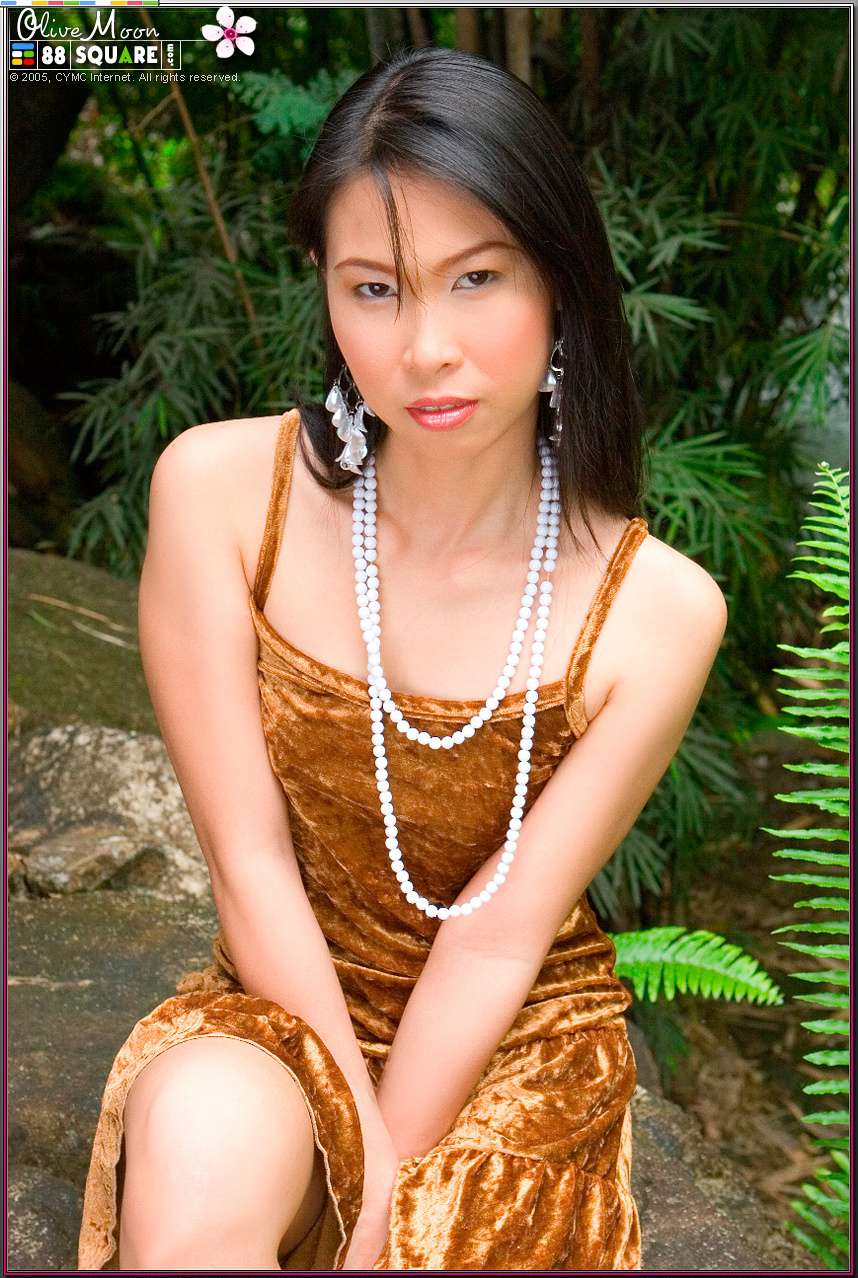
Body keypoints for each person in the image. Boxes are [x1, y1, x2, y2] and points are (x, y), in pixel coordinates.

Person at [77, 44, 727, 1272]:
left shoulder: (657, 611)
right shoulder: (223, 496)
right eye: (375, 289)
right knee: (202, 1149)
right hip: (281, 1010)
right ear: (327, 294)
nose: (427, 347)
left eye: (477, 278)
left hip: (511, 1051)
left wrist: (387, 1200)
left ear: (560, 281)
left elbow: (494, 938)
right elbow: (252, 863)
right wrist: (365, 1163)